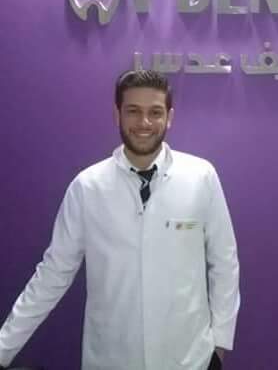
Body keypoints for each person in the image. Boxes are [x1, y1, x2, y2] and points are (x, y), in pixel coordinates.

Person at [0, 70, 240, 370]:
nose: (144, 122)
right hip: (111, 357)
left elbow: (224, 262)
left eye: (155, 112)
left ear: (169, 117)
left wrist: (219, 343)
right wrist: (3, 348)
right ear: (117, 115)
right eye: (133, 111)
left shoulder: (201, 176)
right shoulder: (87, 187)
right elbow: (52, 274)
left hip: (190, 358)